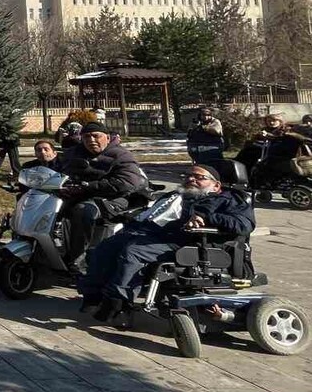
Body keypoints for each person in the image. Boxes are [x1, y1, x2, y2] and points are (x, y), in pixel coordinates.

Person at [80, 164, 254, 320]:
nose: (191, 179)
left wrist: (207, 218)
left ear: (216, 185)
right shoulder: (179, 195)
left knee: (134, 252)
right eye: (189, 175)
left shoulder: (230, 199)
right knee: (106, 247)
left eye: (199, 177)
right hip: (161, 235)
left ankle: (117, 302)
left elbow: (244, 225)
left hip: (193, 244)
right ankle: (93, 296)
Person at [55, 122, 146, 269]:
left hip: (113, 198)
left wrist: (87, 187)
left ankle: (79, 259)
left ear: (107, 138)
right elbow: (58, 170)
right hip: (78, 194)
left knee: (83, 211)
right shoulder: (74, 153)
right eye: (86, 137)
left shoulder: (121, 155)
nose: (91, 140)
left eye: (96, 136)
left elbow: (127, 182)